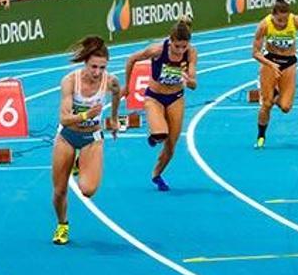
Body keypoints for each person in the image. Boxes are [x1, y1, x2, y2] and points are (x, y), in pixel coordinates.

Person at [51, 36, 121, 245]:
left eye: (102, 67)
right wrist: (85, 115)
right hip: (67, 136)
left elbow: (117, 94)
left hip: (92, 137)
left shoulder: (110, 81)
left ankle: (80, 162)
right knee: (60, 190)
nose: (97, 72)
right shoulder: (70, 81)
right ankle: (62, 224)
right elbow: (63, 118)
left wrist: (114, 118)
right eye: (93, 67)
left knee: (88, 190)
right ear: (85, 63)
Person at [122, 18, 197, 192]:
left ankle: (156, 175)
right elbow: (131, 59)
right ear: (170, 41)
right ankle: (155, 135)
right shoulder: (156, 50)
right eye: (176, 46)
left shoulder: (191, 53)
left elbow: (194, 84)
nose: (180, 51)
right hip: (154, 97)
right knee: (161, 134)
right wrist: (127, 85)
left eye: (183, 47)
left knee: (171, 146)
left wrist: (189, 80)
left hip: (176, 97)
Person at [252, 0, 298, 148]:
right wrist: (270, 64)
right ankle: (261, 136)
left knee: (286, 107)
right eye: (279, 20)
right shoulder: (264, 25)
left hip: (289, 63)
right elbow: (255, 53)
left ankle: (276, 94)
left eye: (285, 20)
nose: (282, 23)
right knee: (266, 104)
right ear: (273, 15)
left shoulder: (296, 21)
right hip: (270, 61)